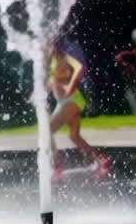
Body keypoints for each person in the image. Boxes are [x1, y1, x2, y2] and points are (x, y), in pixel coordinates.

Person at [47, 42, 113, 181]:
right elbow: (52, 80)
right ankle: (103, 160)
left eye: (51, 42)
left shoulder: (63, 57)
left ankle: (57, 166)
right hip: (67, 102)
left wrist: (70, 87)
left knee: (47, 131)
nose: (48, 45)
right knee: (74, 136)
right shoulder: (50, 59)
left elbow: (80, 68)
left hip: (70, 101)